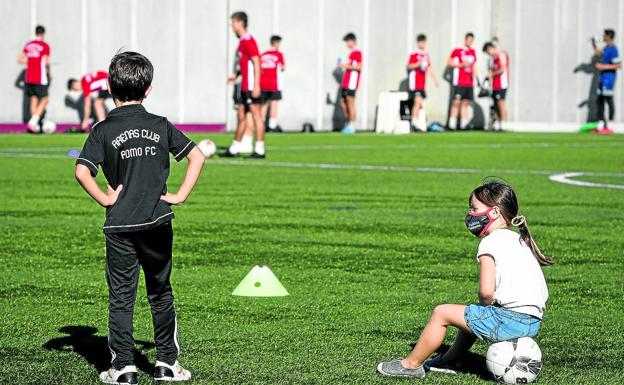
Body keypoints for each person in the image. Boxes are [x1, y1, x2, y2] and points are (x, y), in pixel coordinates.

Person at [74, 51, 204, 384]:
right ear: (148, 88)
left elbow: (81, 171)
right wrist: (180, 195)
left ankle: (123, 369)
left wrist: (105, 198)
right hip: (157, 221)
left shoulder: (102, 130)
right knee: (160, 292)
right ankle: (166, 364)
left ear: (108, 86)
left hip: (119, 225)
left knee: (121, 296)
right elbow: (197, 157)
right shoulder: (160, 124)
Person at [377, 180, 553, 378]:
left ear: (494, 212)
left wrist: (487, 305)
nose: (471, 214)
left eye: (474, 208)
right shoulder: (521, 240)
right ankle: (450, 360)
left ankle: (410, 365)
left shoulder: (491, 241)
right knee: (471, 313)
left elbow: (486, 293)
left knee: (441, 312)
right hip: (533, 322)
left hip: (510, 321)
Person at [223, 11, 266, 158]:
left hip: (251, 86)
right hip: (243, 86)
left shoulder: (249, 40)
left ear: (240, 22)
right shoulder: (242, 42)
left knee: (256, 116)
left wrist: (257, 85)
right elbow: (245, 65)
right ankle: (234, 148)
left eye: (233, 23)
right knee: (241, 116)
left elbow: (256, 62)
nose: (232, 26)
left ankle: (260, 149)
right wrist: (236, 76)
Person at [18, 25, 50, 133]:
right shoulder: (44, 45)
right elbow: (46, 62)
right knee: (45, 100)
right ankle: (33, 122)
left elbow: (20, 59)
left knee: (34, 98)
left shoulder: (29, 45)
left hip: (28, 77)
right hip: (39, 76)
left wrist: (30, 62)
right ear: (43, 33)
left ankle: (34, 126)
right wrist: (49, 73)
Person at [407, 34, 440, 132]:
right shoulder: (414, 53)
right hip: (415, 83)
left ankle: (416, 122)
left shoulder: (426, 54)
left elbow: (429, 68)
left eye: (424, 42)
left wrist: (435, 80)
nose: (422, 44)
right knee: (417, 102)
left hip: (422, 83)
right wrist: (418, 64)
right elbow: (409, 66)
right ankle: (414, 124)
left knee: (419, 103)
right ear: (418, 42)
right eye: (421, 42)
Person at [448, 33, 477, 130]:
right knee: (456, 102)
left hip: (469, 82)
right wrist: (461, 65)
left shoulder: (473, 51)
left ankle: (463, 125)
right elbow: (449, 63)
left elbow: (474, 66)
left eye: (471, 40)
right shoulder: (458, 50)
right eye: (468, 39)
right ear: (465, 39)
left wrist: (475, 77)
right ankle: (452, 124)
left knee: (465, 103)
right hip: (459, 81)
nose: (470, 42)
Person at [594, 29, 622, 133]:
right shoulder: (606, 48)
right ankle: (601, 125)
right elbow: (600, 55)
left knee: (608, 99)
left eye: (605, 35)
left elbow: (618, 65)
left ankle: (610, 124)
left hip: (609, 79)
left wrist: (603, 67)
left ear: (609, 36)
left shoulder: (613, 49)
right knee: (600, 100)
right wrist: (594, 46)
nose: (603, 37)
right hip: (602, 78)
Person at [260, 35, 286, 133]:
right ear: (276, 43)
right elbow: (283, 68)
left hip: (262, 84)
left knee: (264, 105)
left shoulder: (263, 54)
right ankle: (272, 125)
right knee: (274, 104)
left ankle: (261, 125)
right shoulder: (279, 54)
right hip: (273, 84)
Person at [483, 41, 509, 131]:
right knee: (496, 105)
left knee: (501, 104)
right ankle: (498, 124)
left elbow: (502, 69)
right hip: (495, 85)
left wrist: (492, 74)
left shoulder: (501, 55)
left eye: (487, 52)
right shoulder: (493, 59)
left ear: (490, 48)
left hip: (501, 84)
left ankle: (504, 124)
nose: (488, 54)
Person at [339, 32, 362, 134]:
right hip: (346, 83)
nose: (346, 44)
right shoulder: (351, 53)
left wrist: (344, 65)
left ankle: (351, 126)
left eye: (347, 41)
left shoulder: (357, 52)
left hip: (352, 83)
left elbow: (359, 67)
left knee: (350, 103)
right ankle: (348, 123)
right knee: (343, 103)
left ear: (352, 41)